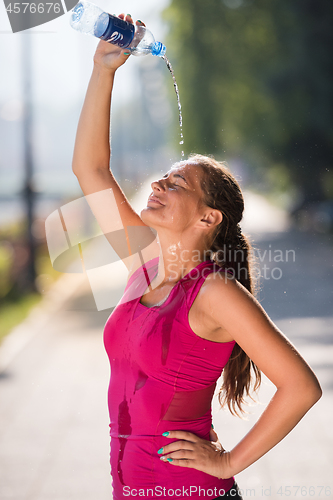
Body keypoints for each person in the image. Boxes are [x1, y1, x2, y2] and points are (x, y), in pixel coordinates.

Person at [71, 14, 322, 500]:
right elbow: (91, 169)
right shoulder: (143, 265)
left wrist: (228, 460)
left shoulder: (215, 292)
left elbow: (301, 387)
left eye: (177, 183)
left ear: (208, 219)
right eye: (164, 177)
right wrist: (104, 72)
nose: (161, 183)